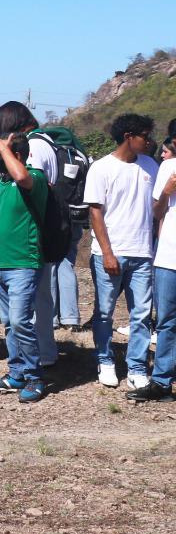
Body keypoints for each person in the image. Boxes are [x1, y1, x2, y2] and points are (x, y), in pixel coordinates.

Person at [84, 113, 159, 390]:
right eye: (145, 136)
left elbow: (155, 210)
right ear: (129, 137)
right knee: (104, 312)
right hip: (110, 252)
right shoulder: (102, 168)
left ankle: (137, 367)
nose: (149, 141)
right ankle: (105, 360)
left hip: (143, 253)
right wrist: (107, 252)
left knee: (140, 313)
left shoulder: (151, 165)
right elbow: (95, 213)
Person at [0, 100, 72, 356]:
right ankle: (44, 351)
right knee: (41, 295)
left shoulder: (34, 145)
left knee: (35, 299)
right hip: (43, 224)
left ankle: (41, 354)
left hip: (32, 231)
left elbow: (27, 180)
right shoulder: (45, 140)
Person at [0, 133, 50, 402]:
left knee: (21, 321)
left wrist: (3, 147)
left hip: (24, 263)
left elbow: (22, 177)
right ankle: (16, 373)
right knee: (9, 323)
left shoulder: (35, 178)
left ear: (17, 155)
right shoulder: (1, 183)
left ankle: (34, 376)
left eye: (1, 154)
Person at [130, 120, 176, 402]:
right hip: (169, 256)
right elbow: (156, 212)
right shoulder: (168, 168)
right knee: (167, 321)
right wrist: (167, 190)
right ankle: (161, 381)